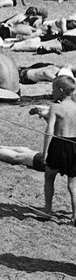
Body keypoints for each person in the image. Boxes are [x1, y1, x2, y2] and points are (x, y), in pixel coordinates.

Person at [41, 73, 76, 222]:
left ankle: (48, 209)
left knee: (49, 177)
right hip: (75, 144)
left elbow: (49, 130)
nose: (52, 92)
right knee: (73, 184)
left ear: (61, 90)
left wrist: (45, 151)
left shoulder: (56, 107)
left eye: (54, 89)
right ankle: (75, 215)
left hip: (60, 143)